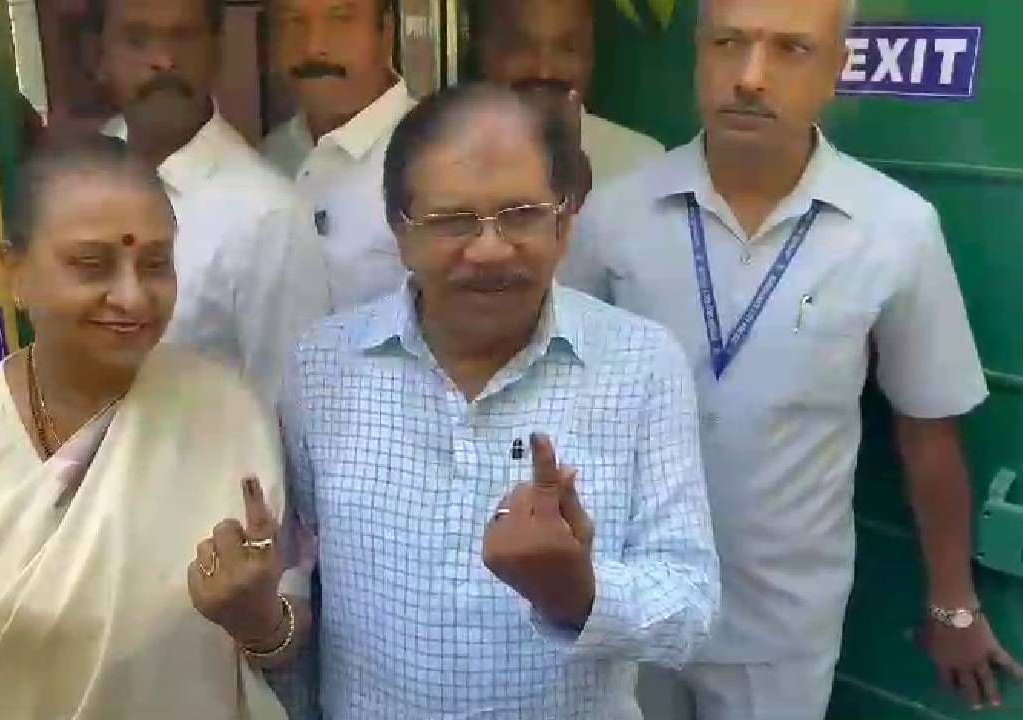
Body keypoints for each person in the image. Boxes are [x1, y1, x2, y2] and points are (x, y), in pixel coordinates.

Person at [560, 0, 1023, 717]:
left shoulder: (894, 230)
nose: (750, 76)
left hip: (781, 634)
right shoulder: (613, 216)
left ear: (837, 72)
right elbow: (557, 392)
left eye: (789, 50)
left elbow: (929, 432)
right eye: (728, 44)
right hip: (629, 604)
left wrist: (954, 604)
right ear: (698, 57)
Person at [279, 83, 719, 719]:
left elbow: (692, 604)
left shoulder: (641, 365)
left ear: (565, 224)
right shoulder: (322, 367)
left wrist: (581, 591)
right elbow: (298, 567)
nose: (489, 249)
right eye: (453, 220)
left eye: (521, 215)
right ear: (400, 232)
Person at [0, 138, 301, 720]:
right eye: (92, 265)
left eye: (155, 263)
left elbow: (281, 637)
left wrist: (257, 619)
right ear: (14, 269)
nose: (131, 296)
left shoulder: (228, 409)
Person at [90, 0, 330, 401]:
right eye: (137, 40)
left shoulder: (267, 215)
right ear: (101, 57)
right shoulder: (91, 168)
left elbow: (293, 405)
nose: (164, 61)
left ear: (216, 53)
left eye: (183, 38)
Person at [262, 0, 415, 311]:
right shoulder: (267, 159)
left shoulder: (436, 155)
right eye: (294, 21)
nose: (314, 47)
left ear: (385, 31)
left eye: (341, 19)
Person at [473, 0, 664, 189]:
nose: (544, 70)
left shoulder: (642, 165)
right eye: (521, 47)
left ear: (591, 55)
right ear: (484, 52)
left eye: (567, 48)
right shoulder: (447, 162)